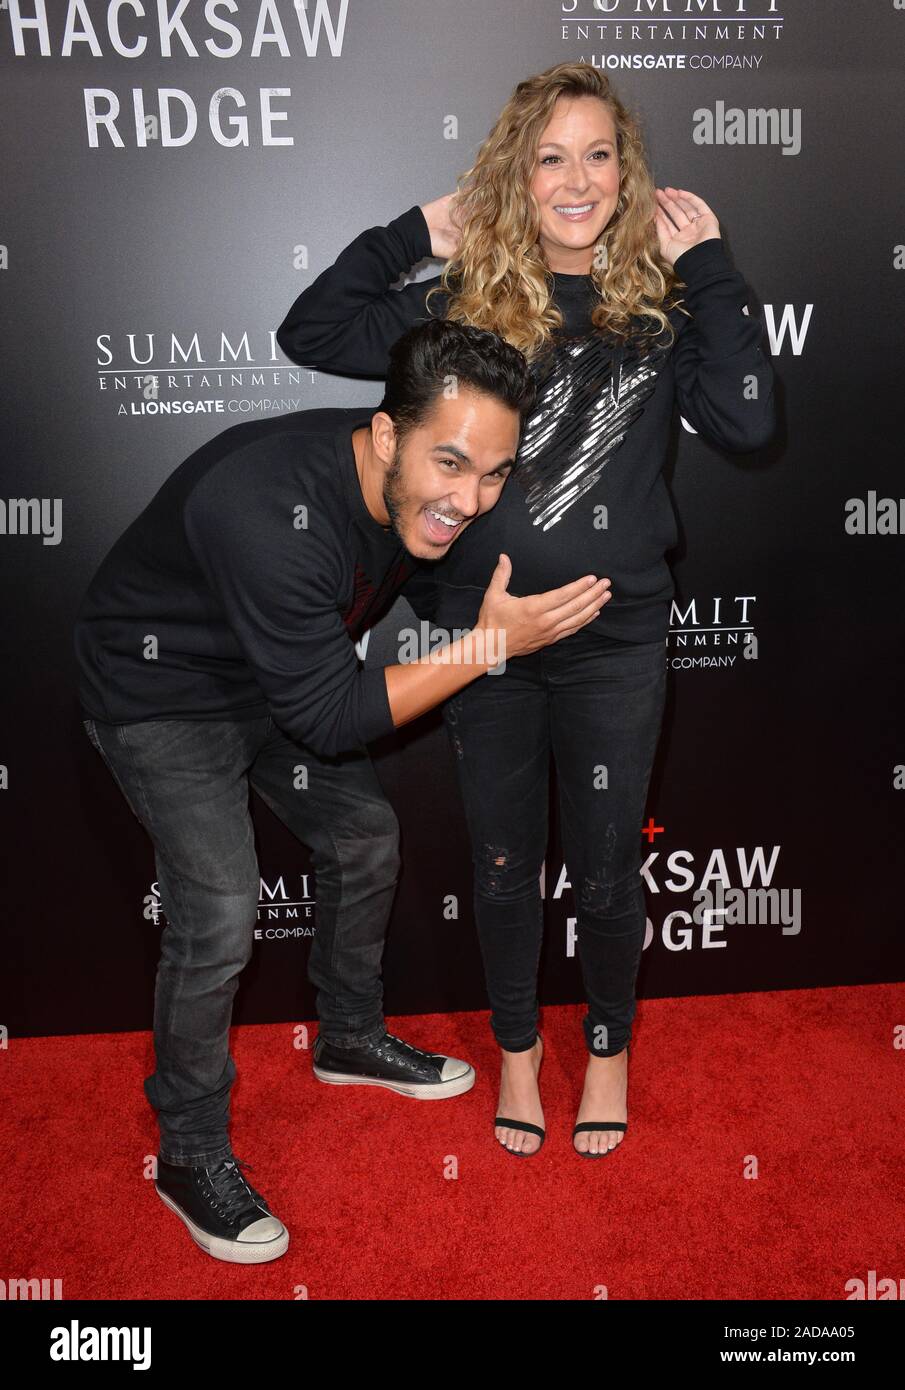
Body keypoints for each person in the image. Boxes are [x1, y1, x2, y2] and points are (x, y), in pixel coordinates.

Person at [276, 61, 776, 1160]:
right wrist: (415, 227)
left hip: (614, 639)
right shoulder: (466, 303)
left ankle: (604, 1050)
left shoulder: (663, 298)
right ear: (517, 171)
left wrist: (712, 266)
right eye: (549, 155)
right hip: (486, 641)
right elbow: (309, 331)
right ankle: (515, 1051)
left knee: (602, 866)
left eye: (596, 152)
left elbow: (746, 419)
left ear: (625, 169)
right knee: (503, 865)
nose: (576, 178)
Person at [73, 317, 612, 1263]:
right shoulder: (265, 506)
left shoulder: (418, 495)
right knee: (219, 909)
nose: (469, 499)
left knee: (365, 837)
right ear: (386, 434)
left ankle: (348, 1036)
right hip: (159, 693)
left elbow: (423, 596)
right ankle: (190, 1154)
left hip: (271, 680)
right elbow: (328, 715)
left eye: (491, 474)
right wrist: (488, 648)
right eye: (450, 465)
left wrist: (503, 629)